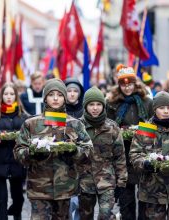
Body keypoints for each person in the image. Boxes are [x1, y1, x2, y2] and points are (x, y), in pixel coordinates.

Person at [13, 78, 93, 219]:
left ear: (64, 98)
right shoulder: (31, 123)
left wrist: (74, 151)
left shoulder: (75, 124)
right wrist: (32, 153)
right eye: (51, 95)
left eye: (60, 95)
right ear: (45, 98)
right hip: (39, 189)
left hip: (65, 188)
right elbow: (18, 152)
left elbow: (88, 151)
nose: (55, 99)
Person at [106, 65, 153, 220]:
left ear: (135, 84)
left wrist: (141, 131)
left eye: (130, 84)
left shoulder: (146, 102)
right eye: (123, 85)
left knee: (144, 198)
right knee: (126, 199)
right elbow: (109, 125)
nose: (127, 88)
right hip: (122, 156)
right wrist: (120, 132)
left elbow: (152, 124)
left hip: (142, 154)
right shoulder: (113, 103)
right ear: (119, 85)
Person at [79, 86, 127, 219]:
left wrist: (121, 182)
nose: (95, 108)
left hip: (107, 181)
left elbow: (120, 156)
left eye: (99, 104)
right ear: (85, 106)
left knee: (105, 215)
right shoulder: (77, 127)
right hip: (84, 182)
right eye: (91, 104)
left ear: (103, 106)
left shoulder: (112, 127)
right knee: (85, 215)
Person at [0, 82, 29, 220]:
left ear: (16, 96)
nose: (9, 97)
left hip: (17, 162)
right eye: (6, 94)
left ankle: (16, 215)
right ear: (1, 96)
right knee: (1, 199)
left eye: (11, 94)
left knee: (18, 198)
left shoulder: (23, 116)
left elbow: (29, 137)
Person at [130, 91, 169, 219]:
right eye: (162, 108)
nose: (166, 111)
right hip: (152, 190)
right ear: (155, 109)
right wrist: (145, 163)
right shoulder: (146, 129)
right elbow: (134, 154)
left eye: (168, 108)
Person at [64, 78, 84, 220]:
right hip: (64, 161)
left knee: (81, 202)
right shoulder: (59, 110)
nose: (72, 94)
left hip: (81, 160)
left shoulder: (86, 110)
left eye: (75, 91)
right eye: (69, 91)